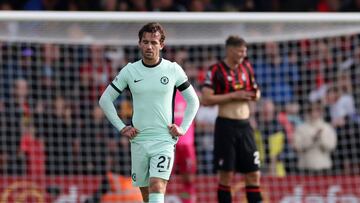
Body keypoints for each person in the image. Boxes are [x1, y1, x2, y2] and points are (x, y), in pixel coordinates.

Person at [99, 22, 199, 203]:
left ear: (162, 45)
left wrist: (183, 128)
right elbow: (105, 100)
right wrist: (122, 127)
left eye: (154, 42)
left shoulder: (173, 69)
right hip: (139, 140)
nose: (149, 46)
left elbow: (194, 100)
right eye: (145, 42)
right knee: (146, 196)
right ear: (139, 43)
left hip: (164, 139)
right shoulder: (130, 70)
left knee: (157, 185)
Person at [201, 36, 262, 203]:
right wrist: (233, 96)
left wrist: (253, 95)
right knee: (226, 174)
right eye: (240, 51)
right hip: (226, 126)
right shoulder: (215, 70)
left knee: (254, 173)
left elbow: (256, 91)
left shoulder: (247, 68)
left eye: (245, 51)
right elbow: (206, 99)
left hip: (245, 126)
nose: (243, 54)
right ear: (229, 50)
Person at [173, 90, 197, 203]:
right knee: (163, 175)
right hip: (169, 143)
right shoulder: (164, 91)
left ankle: (188, 200)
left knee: (188, 177)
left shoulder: (189, 92)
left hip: (187, 143)